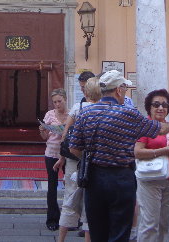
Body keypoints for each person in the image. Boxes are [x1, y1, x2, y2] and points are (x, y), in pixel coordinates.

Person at [69, 70, 169, 242]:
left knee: (97, 231)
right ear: (118, 90)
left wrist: (94, 155)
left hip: (94, 178)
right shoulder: (129, 114)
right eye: (125, 89)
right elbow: (159, 129)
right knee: (120, 232)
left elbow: (74, 149)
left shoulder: (86, 113)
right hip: (121, 178)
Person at [54, 77, 102, 242]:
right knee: (91, 200)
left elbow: (65, 136)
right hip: (96, 161)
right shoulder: (105, 109)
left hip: (76, 159)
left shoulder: (78, 108)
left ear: (86, 92)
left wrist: (62, 157)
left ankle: (61, 238)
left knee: (70, 197)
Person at [134, 89, 169, 242]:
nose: (160, 108)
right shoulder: (146, 126)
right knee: (150, 224)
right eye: (156, 105)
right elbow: (137, 152)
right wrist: (164, 151)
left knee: (164, 224)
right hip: (150, 180)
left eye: (164, 105)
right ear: (149, 107)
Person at [39, 88, 68, 231]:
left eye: (59, 101)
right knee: (52, 185)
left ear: (65, 100)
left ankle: (69, 217)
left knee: (70, 185)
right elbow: (45, 137)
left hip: (67, 154)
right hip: (51, 152)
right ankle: (52, 218)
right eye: (55, 102)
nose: (57, 104)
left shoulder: (71, 114)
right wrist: (42, 131)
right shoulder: (50, 115)